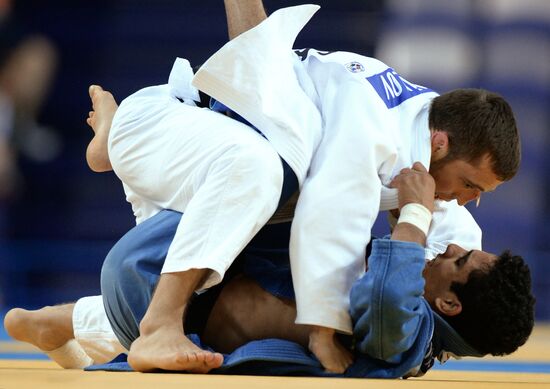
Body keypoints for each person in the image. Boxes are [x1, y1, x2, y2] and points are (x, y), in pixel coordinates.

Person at [79, 2, 520, 373]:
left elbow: (473, 266)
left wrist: (414, 219)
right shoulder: (376, 134)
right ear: (440, 145)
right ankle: (121, 147)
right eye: (468, 183)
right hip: (173, 122)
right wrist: (323, 327)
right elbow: (332, 215)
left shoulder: (423, 123)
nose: (471, 198)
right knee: (266, 169)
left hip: (184, 161)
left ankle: (116, 149)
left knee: (275, 154)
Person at [4, 162, 535, 378]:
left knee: (269, 168)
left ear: (450, 303)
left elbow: (389, 301)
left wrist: (415, 215)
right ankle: (62, 323)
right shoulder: (415, 333)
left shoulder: (409, 335)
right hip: (178, 286)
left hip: (157, 282)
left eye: (458, 261)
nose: (445, 252)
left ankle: (125, 150)